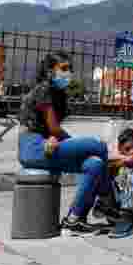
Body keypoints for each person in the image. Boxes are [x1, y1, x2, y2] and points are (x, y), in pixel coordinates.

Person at [17, 52, 113, 235]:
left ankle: (74, 219)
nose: (68, 73)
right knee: (98, 146)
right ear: (49, 70)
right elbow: (54, 128)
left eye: (70, 69)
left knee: (95, 164)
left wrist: (56, 139)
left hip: (47, 144)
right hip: (32, 147)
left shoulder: (59, 94)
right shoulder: (43, 89)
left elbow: (51, 130)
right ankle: (108, 200)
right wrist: (71, 144)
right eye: (64, 68)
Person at [108, 128, 133, 239]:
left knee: (131, 171)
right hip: (116, 209)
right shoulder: (116, 161)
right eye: (128, 149)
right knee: (103, 170)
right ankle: (107, 209)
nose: (132, 152)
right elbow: (107, 159)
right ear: (120, 149)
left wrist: (129, 161)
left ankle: (127, 220)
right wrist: (124, 160)